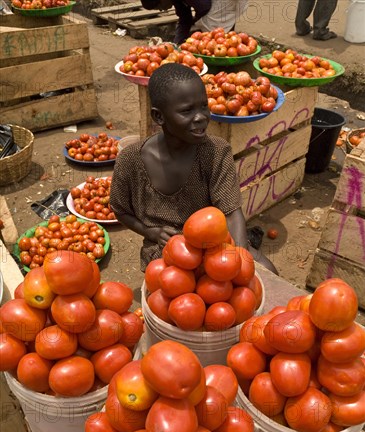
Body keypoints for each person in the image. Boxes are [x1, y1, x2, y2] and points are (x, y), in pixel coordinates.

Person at [110, 64, 277, 274]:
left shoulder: (216, 152)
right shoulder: (130, 160)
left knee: (268, 271)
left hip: (213, 244)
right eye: (187, 110)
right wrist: (152, 233)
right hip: (165, 249)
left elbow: (232, 212)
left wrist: (237, 259)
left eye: (204, 106)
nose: (200, 117)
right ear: (159, 117)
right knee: (174, 296)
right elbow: (121, 210)